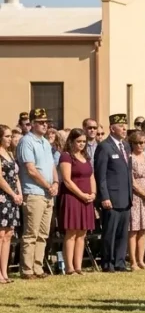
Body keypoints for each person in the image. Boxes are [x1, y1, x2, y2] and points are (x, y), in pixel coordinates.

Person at [17, 109, 57, 279]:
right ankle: (27, 269)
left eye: (46, 122)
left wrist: (55, 183)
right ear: (32, 123)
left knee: (43, 234)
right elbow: (31, 170)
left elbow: (52, 166)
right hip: (34, 193)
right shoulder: (27, 142)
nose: (44, 125)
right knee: (31, 233)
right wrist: (48, 185)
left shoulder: (45, 143)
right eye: (41, 122)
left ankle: (38, 268)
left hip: (48, 193)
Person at [94, 113, 133, 272]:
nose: (124, 128)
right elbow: (101, 175)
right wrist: (104, 197)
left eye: (125, 125)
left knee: (123, 233)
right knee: (110, 232)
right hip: (112, 197)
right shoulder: (104, 146)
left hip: (125, 196)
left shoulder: (126, 146)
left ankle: (120, 262)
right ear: (112, 128)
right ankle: (108, 263)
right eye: (121, 126)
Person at [56, 129, 95, 275]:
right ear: (71, 141)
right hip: (72, 197)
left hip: (86, 198)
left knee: (82, 233)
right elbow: (67, 180)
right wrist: (82, 195)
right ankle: (69, 267)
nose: (81, 144)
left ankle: (78, 266)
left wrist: (93, 193)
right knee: (71, 232)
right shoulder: (66, 156)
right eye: (78, 141)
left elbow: (91, 176)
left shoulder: (86, 156)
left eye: (84, 142)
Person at [127, 130, 145, 270]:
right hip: (136, 197)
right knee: (133, 229)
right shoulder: (129, 158)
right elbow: (131, 181)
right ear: (132, 143)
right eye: (138, 143)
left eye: (143, 143)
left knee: (143, 230)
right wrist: (144, 194)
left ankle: (141, 260)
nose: (140, 145)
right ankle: (132, 261)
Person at [0, 125, 22, 283]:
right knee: (0, 235)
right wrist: (12, 193)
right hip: (3, 197)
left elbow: (16, 176)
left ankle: (4, 272)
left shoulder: (10, 154)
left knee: (8, 235)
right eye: (7, 136)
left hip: (13, 198)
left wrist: (19, 193)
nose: (10, 139)